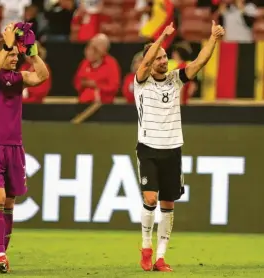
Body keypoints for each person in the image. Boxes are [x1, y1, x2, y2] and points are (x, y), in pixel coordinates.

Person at [134, 21, 224, 272]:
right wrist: (162, 35)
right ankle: (146, 247)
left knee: (168, 203)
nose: (164, 60)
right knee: (150, 197)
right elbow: (146, 61)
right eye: (159, 57)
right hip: (149, 147)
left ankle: (160, 258)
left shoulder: (175, 79)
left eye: (165, 57)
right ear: (150, 63)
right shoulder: (140, 81)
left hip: (172, 148)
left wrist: (213, 38)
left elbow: (199, 62)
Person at [0, 22, 49, 273]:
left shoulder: (18, 79)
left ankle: (1, 256)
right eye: (12, 55)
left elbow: (42, 76)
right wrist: (7, 46)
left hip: (14, 148)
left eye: (18, 56)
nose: (16, 59)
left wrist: (33, 53)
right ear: (0, 54)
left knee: (8, 204)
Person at [74, 33, 120, 103]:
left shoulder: (111, 63)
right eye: (91, 46)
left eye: (97, 46)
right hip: (84, 102)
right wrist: (85, 84)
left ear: (105, 48)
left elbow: (114, 87)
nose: (93, 49)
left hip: (105, 104)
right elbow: (77, 82)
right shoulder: (85, 63)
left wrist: (96, 85)